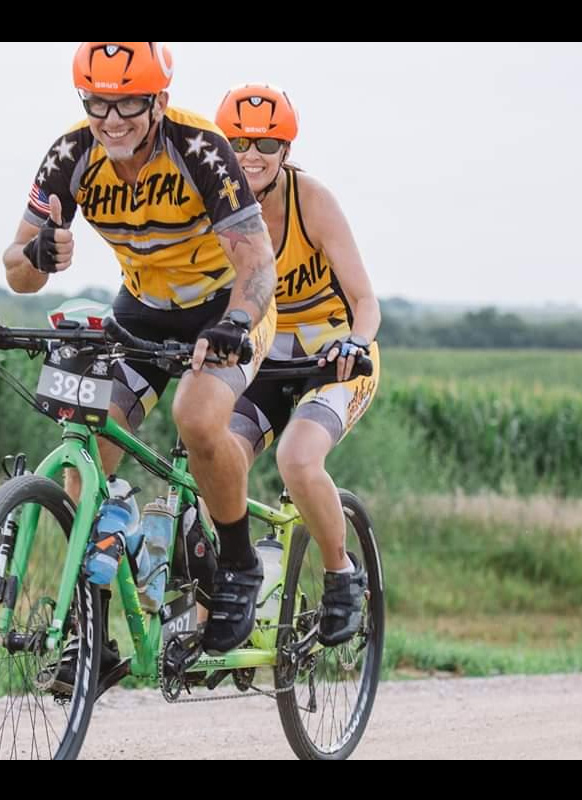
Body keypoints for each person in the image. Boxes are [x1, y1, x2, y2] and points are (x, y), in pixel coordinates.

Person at [4, 44, 279, 689]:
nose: (113, 118)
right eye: (98, 101)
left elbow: (259, 265)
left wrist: (235, 324)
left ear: (157, 100)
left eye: (128, 102)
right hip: (144, 307)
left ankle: (238, 564)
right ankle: (89, 635)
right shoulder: (70, 154)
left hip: (228, 304)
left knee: (197, 415)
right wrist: (39, 251)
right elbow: (16, 270)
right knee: (88, 445)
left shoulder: (201, 148)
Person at [215, 83, 381, 645]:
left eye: (265, 142)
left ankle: (341, 574)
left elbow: (365, 301)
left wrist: (355, 344)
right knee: (217, 456)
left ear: (285, 148)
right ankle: (235, 579)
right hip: (265, 353)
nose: (250, 154)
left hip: (331, 356)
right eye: (237, 141)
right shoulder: (217, 201)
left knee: (298, 459)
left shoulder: (312, 200)